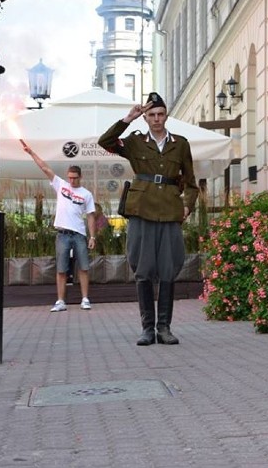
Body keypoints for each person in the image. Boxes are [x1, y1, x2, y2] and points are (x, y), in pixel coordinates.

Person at [98, 92, 198, 346]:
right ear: (145, 117)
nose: (156, 119)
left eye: (160, 114)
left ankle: (164, 328)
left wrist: (187, 206)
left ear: (166, 116)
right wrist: (127, 119)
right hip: (141, 209)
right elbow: (105, 141)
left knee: (168, 269)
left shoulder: (181, 144)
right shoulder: (135, 142)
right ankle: (146, 329)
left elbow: (191, 183)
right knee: (142, 270)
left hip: (169, 211)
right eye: (151, 114)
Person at [22, 141, 96, 312]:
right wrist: (31, 152)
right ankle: (60, 301)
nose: (71, 180)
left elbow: (91, 215)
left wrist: (92, 236)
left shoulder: (86, 194)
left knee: (84, 267)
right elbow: (45, 168)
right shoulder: (61, 185)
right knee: (61, 268)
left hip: (79, 234)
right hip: (62, 233)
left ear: (80, 177)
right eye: (69, 177)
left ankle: (85, 299)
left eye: (74, 178)